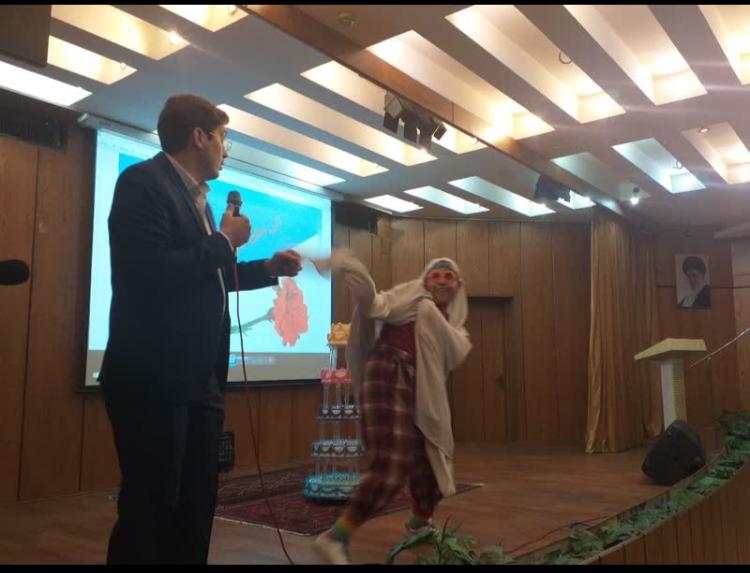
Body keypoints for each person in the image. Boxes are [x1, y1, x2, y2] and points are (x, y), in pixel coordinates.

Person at [99, 94, 301, 564]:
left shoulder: (201, 203)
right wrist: (224, 240)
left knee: (196, 507)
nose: (226, 150)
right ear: (198, 137)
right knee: (151, 508)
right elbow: (150, 271)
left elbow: (208, 274)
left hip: (201, 380)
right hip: (152, 379)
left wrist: (267, 268)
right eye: (223, 138)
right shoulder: (142, 183)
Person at [312, 249, 472, 565]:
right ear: (425, 281)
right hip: (389, 373)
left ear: (458, 285)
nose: (441, 281)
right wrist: (351, 269)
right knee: (391, 465)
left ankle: (419, 525)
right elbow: (374, 304)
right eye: (435, 276)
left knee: (429, 464)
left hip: (417, 388)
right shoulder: (413, 299)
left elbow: (452, 353)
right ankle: (334, 537)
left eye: (448, 276)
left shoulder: (449, 325)